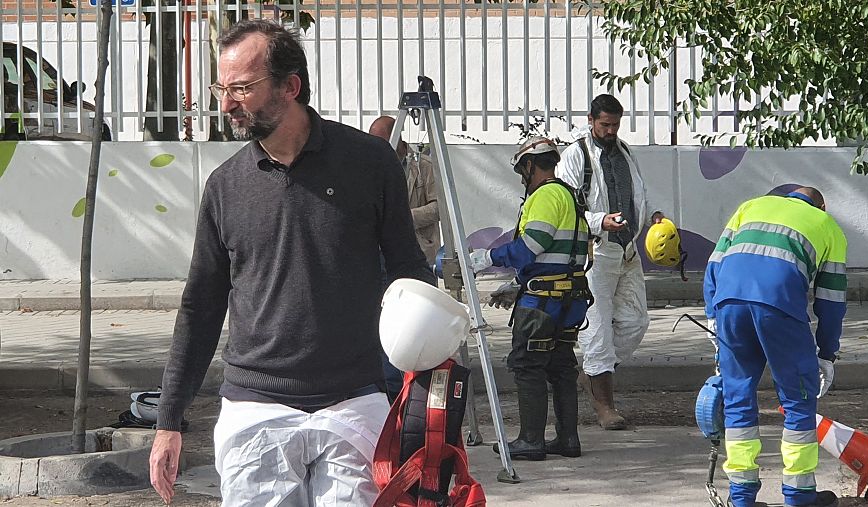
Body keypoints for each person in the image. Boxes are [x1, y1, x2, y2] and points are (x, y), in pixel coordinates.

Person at [147, 20, 434, 506]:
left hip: (354, 402)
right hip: (253, 409)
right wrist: (168, 421)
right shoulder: (224, 187)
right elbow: (200, 306)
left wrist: (431, 385)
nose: (226, 103)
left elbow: (409, 273)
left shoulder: (370, 164)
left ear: (290, 86)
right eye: (223, 87)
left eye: (242, 88)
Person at [704, 187, 847, 507]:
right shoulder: (826, 225)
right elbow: (831, 300)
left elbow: (714, 266)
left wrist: (714, 317)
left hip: (728, 305)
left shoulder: (749, 205)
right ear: (820, 205)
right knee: (798, 400)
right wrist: (826, 353)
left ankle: (740, 497)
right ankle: (799, 494)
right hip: (779, 308)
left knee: (737, 398)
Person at [469, 136, 591, 460]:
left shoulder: (546, 196)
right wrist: (517, 285)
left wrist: (487, 257)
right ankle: (568, 440)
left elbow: (529, 248)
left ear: (530, 164)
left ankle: (530, 441)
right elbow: (558, 257)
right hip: (569, 300)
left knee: (528, 365)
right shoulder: (569, 196)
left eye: (523, 170)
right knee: (561, 366)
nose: (523, 177)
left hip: (542, 306)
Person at [556, 94, 665, 429]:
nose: (611, 130)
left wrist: (654, 215)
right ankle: (605, 407)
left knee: (636, 322)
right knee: (598, 329)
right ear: (590, 120)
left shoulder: (625, 151)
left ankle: (592, 371)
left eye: (615, 124)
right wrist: (598, 221)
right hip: (595, 253)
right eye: (605, 124)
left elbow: (638, 194)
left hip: (628, 249)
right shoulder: (575, 156)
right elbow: (566, 206)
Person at [368, 116, 441, 402]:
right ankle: (391, 394)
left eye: (387, 143)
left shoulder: (422, 169)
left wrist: (400, 219)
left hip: (416, 256)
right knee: (383, 328)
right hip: (378, 260)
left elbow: (439, 207)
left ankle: (412, 393)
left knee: (415, 327)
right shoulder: (365, 171)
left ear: (401, 144)